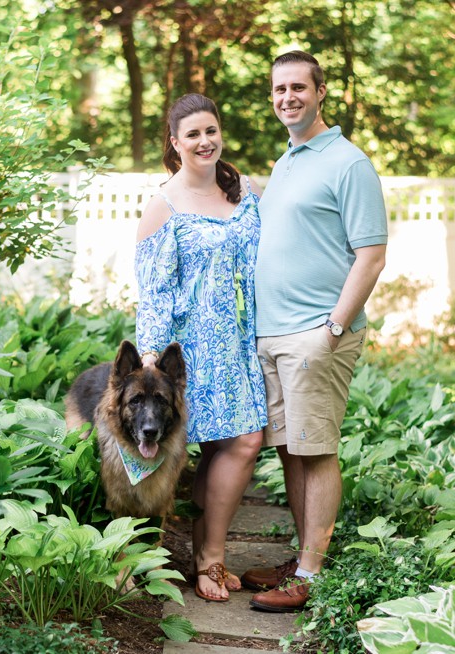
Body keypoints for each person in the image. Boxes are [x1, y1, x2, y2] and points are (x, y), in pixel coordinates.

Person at [242, 51, 388, 613]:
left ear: (321, 92)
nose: (287, 98)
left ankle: (311, 574)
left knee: (316, 450)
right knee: (290, 452)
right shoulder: (287, 162)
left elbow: (371, 256)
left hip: (315, 333)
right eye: (279, 89)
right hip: (273, 334)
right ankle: (301, 559)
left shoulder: (348, 163)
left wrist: (333, 326)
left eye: (298, 87)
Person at [135, 93, 267, 603]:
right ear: (174, 143)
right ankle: (157, 559)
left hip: (238, 342)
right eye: (192, 134)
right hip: (186, 352)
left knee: (240, 443)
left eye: (210, 131)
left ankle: (210, 557)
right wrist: (150, 357)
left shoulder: (244, 191)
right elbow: (154, 292)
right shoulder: (162, 206)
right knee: (186, 451)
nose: (204, 141)